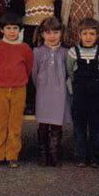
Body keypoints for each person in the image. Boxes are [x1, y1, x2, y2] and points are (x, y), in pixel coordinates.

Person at [0, 13, 33, 168]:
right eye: (8, 28)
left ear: (20, 30)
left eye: (15, 28)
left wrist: (19, 80)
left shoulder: (25, 48)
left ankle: (12, 155)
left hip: (19, 89)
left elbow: (28, 68)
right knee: (0, 123)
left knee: (15, 124)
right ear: (2, 30)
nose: (12, 31)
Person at [16, 0, 62, 114]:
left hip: (48, 34)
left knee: (48, 68)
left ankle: (49, 100)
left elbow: (59, 16)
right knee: (31, 67)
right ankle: (31, 102)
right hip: (30, 33)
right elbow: (19, 15)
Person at [66, 17, 99, 168]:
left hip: (96, 96)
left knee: (96, 127)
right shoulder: (73, 52)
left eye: (92, 34)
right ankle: (81, 156)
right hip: (79, 96)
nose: (88, 37)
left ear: (97, 35)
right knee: (79, 127)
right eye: (85, 33)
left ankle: (95, 156)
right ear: (79, 34)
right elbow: (70, 72)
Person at [32, 17, 71, 167]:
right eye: (48, 32)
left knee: (56, 125)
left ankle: (54, 154)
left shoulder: (66, 52)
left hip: (60, 94)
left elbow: (68, 73)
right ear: (42, 34)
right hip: (43, 93)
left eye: (56, 32)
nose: (52, 36)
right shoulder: (36, 52)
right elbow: (34, 75)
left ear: (61, 33)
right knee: (43, 125)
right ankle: (43, 154)